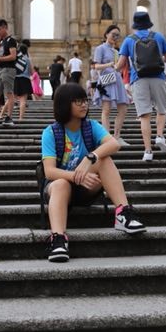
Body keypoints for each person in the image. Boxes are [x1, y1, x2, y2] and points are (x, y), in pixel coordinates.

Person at [40, 83, 146, 262]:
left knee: (103, 159)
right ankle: (58, 239)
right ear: (65, 104)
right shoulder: (51, 132)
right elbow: (49, 172)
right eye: (78, 101)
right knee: (60, 184)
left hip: (87, 188)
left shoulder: (90, 126)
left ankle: (123, 212)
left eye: (85, 100)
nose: (84, 105)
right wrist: (75, 176)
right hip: (60, 190)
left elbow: (114, 144)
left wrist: (89, 158)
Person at [116, 11, 166, 162]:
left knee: (144, 116)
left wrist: (112, 68)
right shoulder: (158, 36)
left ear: (135, 25)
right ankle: (160, 136)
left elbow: (121, 65)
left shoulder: (129, 40)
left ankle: (148, 151)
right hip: (158, 78)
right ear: (149, 23)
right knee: (161, 110)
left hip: (138, 79)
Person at [92, 24, 131, 147]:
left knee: (123, 109)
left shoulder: (116, 51)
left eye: (117, 35)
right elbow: (96, 66)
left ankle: (117, 136)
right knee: (106, 110)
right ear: (106, 34)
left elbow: (118, 67)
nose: (115, 37)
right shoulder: (100, 48)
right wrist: (109, 64)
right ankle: (107, 138)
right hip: (106, 81)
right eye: (113, 34)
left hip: (117, 80)